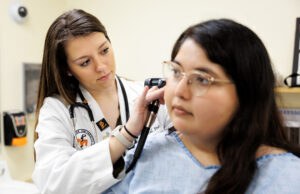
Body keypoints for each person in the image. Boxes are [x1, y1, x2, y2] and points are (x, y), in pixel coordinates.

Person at [104, 19, 300, 193]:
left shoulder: (287, 176)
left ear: (246, 91)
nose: (180, 91)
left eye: (202, 79)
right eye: (176, 71)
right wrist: (126, 134)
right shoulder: (148, 152)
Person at [32, 9, 171, 194]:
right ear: (67, 69)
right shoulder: (57, 110)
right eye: (85, 62)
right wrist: (126, 136)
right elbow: (53, 183)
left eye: (104, 50)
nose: (101, 66)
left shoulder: (149, 97)